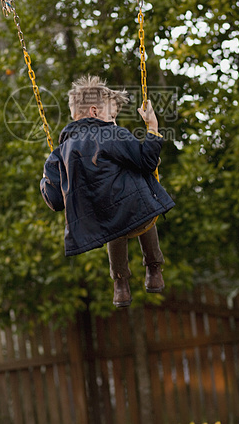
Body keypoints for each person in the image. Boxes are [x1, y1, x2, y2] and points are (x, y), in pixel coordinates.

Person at [40, 75, 175, 307]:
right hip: (137, 215)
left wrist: (47, 179)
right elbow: (147, 161)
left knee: (112, 218)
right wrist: (153, 127)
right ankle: (154, 269)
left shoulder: (60, 152)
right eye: (112, 116)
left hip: (100, 225)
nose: (114, 121)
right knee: (138, 181)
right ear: (94, 112)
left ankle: (120, 285)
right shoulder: (110, 133)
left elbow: (54, 200)